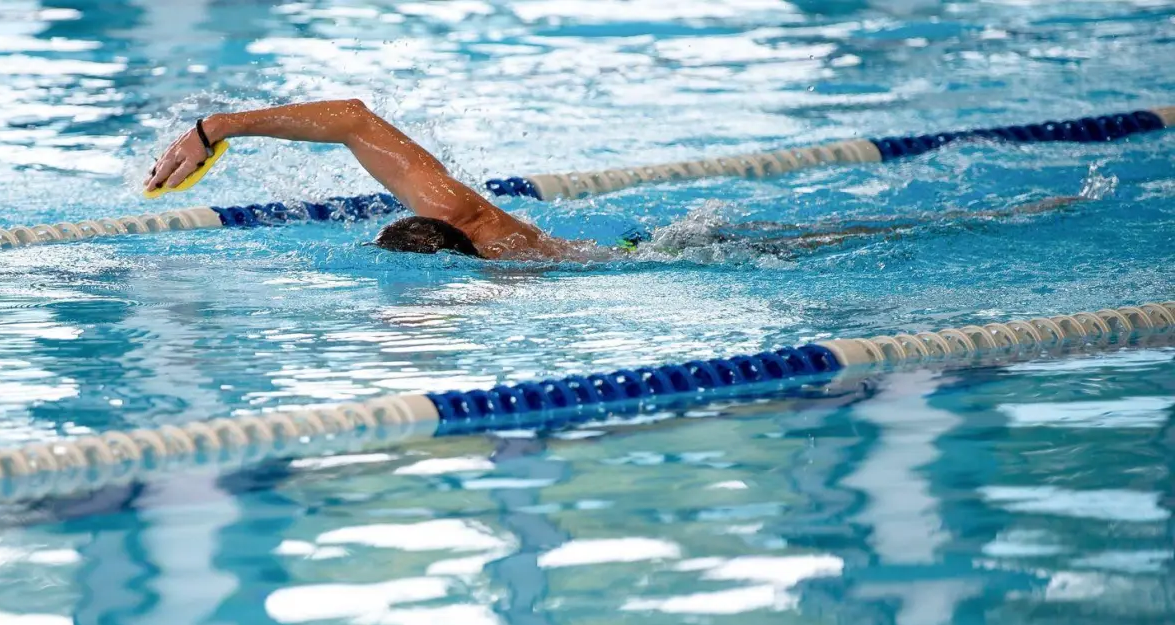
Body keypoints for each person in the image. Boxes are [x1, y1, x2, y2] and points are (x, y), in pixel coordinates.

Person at [144, 99, 1086, 261]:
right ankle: (1031, 204)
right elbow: (353, 122)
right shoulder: (469, 229)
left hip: (663, 255)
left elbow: (351, 116)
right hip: (643, 253)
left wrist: (213, 126)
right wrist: (217, 128)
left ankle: (1040, 204)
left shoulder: (492, 238)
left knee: (874, 236)